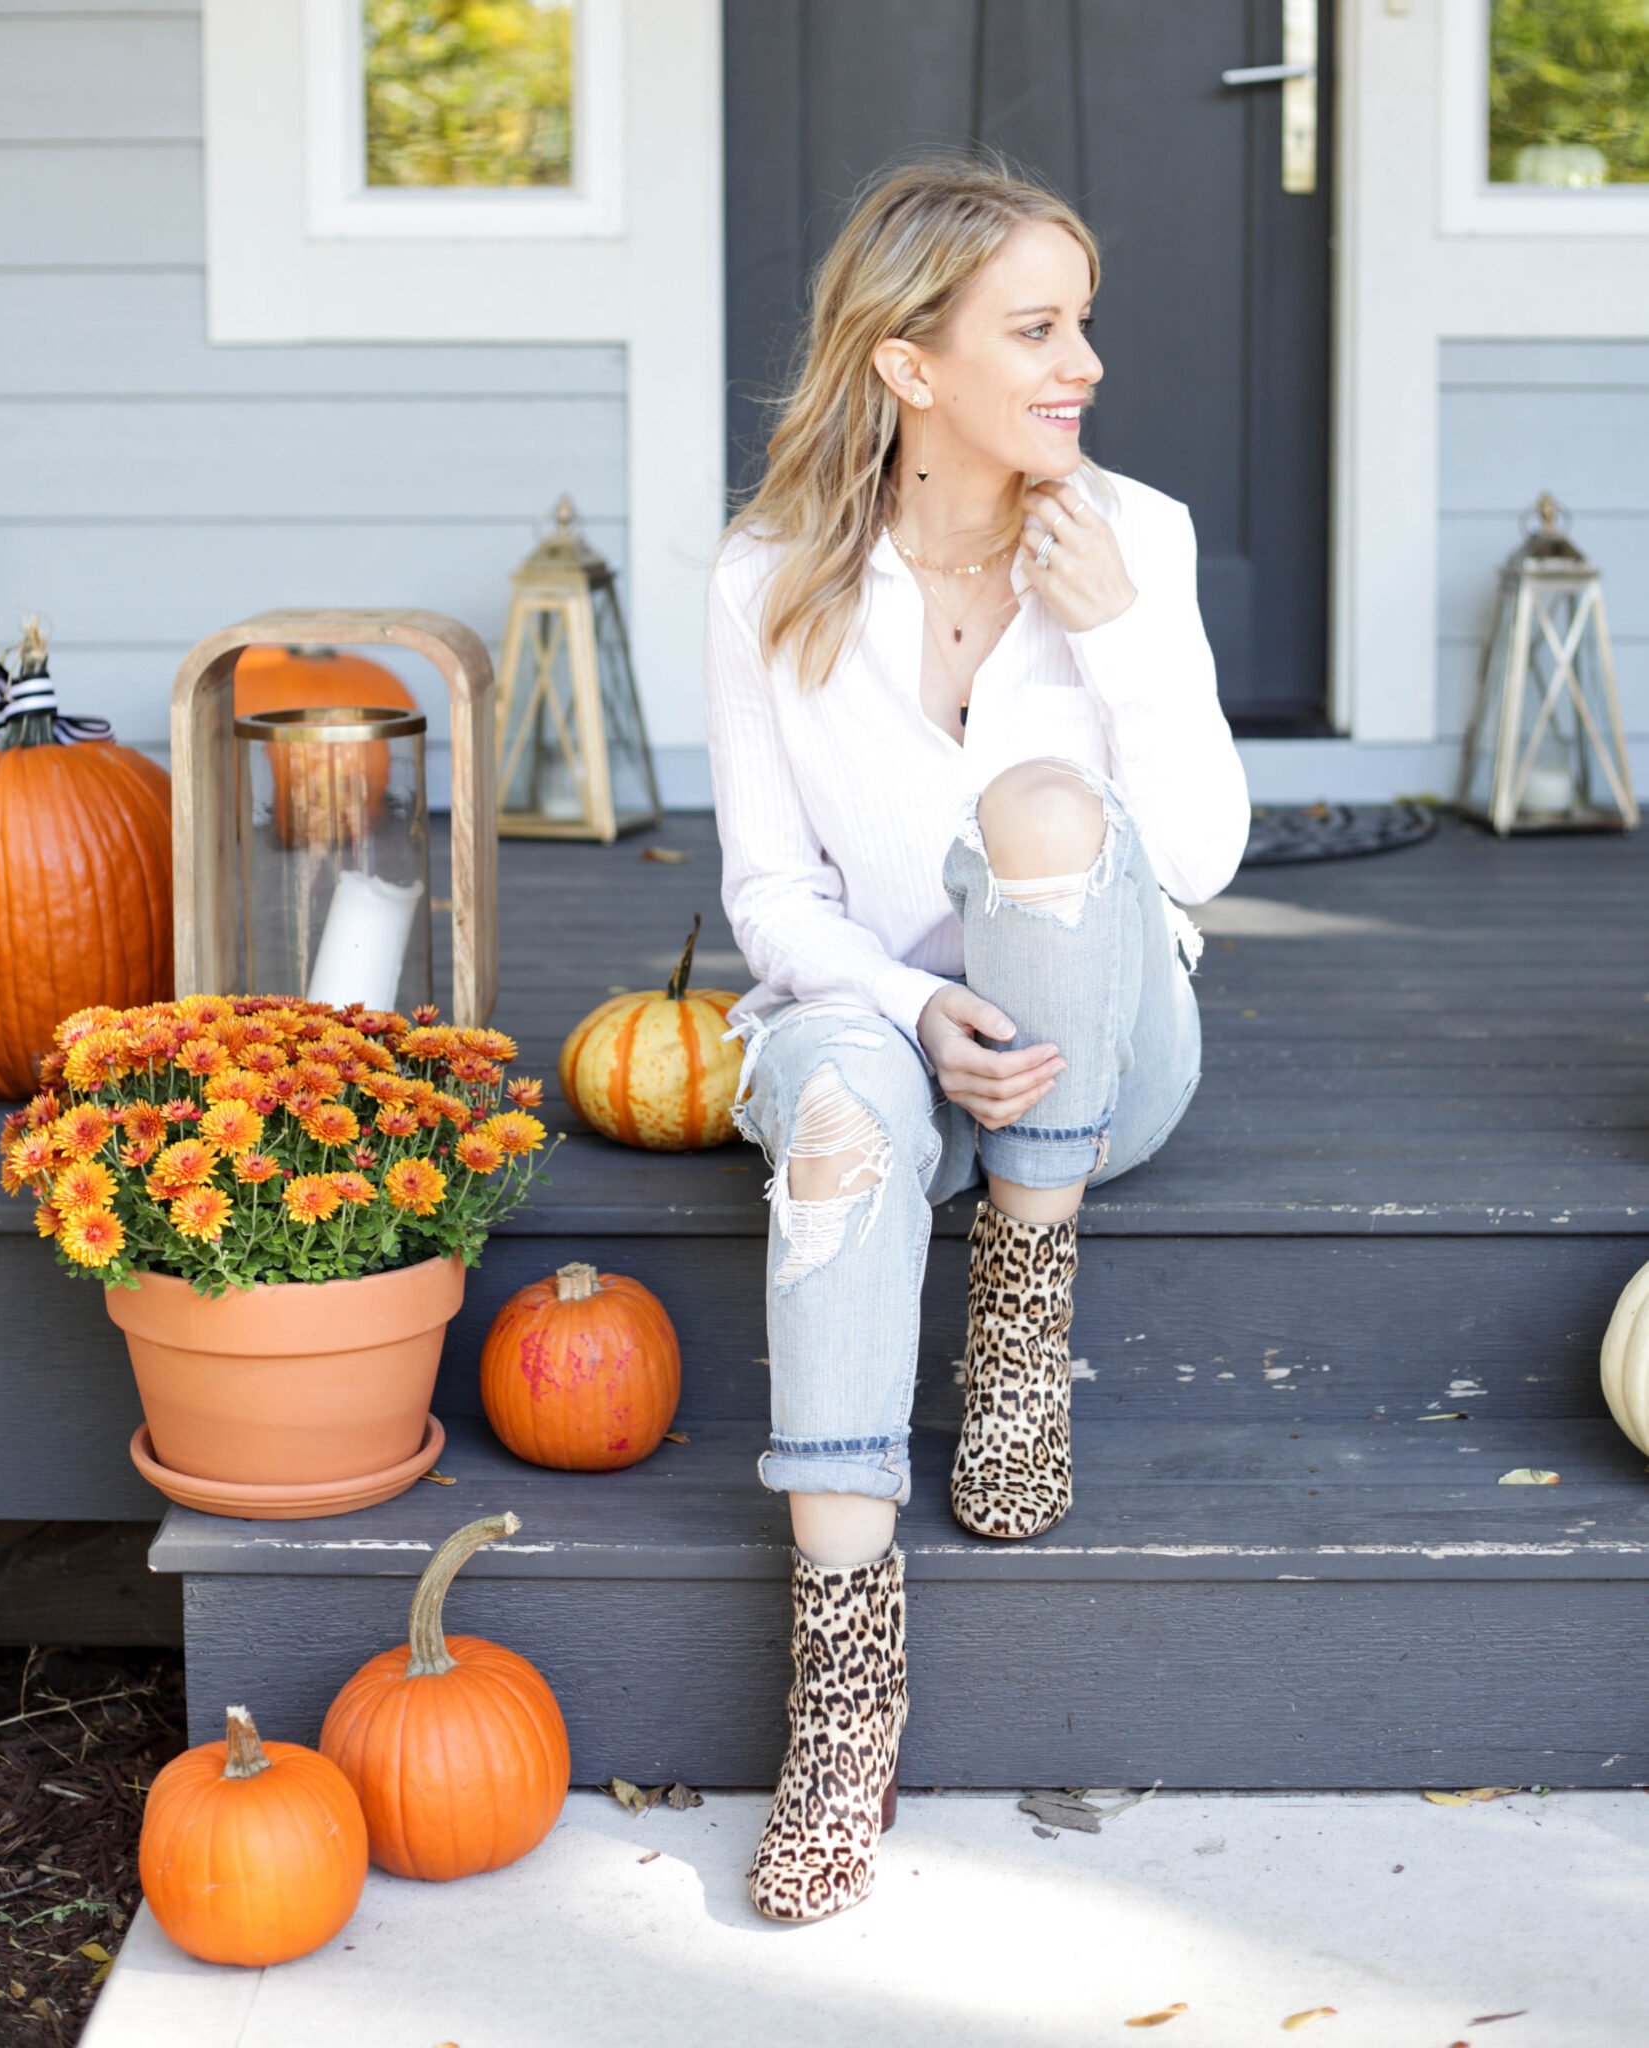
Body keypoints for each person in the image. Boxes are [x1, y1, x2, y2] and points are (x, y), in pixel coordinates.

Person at [702, 152, 1251, 1924]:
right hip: (874, 1026)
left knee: (1037, 798)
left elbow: (1207, 863)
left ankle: (1023, 1283)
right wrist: (914, 1004)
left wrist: (1124, 642)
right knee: (846, 1112)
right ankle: (842, 1698)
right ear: (907, 362)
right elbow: (771, 900)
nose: (1081, 359)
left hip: (1100, 1071)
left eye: (1081, 319)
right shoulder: (770, 574)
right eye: (1036, 326)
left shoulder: (1133, 542)